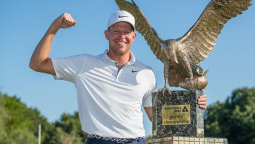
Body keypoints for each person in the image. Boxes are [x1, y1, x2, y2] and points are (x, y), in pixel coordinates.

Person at [29, 11, 207, 144]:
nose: (122, 36)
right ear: (107, 34)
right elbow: (37, 64)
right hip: (99, 141)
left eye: (127, 32)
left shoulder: (147, 73)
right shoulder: (84, 64)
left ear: (133, 36)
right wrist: (54, 27)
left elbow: (159, 119)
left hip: (136, 141)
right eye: (116, 31)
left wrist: (194, 105)